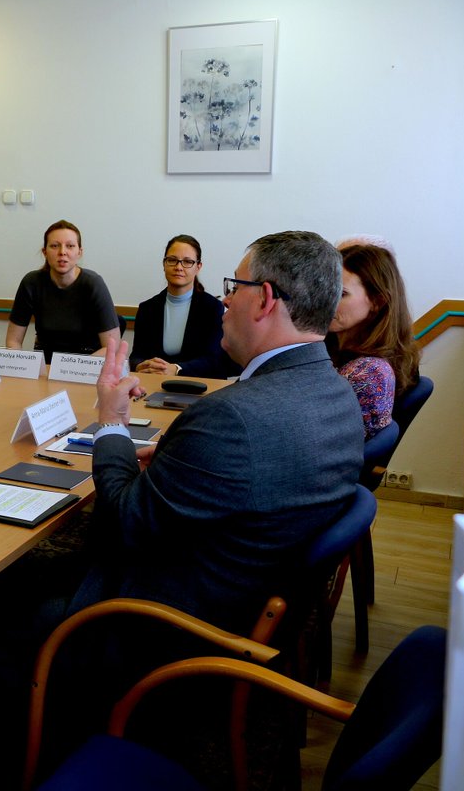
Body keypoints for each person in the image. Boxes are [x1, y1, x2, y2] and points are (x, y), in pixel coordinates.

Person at [82, 230, 365, 634]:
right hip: (253, 594)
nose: (226, 300)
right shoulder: (339, 392)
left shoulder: (229, 417)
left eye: (234, 286)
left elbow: (124, 524)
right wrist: (183, 463)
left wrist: (112, 423)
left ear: (265, 299)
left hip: (169, 624)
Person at [327, 242, 420, 439]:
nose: (326, 300)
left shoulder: (369, 373)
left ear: (377, 302)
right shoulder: (329, 346)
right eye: (324, 289)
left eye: (341, 293)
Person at [5, 220, 120, 362]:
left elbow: (112, 348)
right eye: (55, 246)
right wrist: (19, 365)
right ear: (45, 252)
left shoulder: (93, 283)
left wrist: (71, 368)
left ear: (79, 252)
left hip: (86, 364)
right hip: (45, 364)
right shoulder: (31, 282)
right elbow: (13, 341)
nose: (62, 252)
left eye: (70, 246)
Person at [129, 235, 238, 379]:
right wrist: (140, 365)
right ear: (164, 264)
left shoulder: (213, 308)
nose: (178, 267)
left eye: (187, 262)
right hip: (154, 383)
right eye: (172, 260)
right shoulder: (147, 308)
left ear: (198, 267)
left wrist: (176, 369)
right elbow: (136, 356)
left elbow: (214, 360)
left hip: (199, 385)